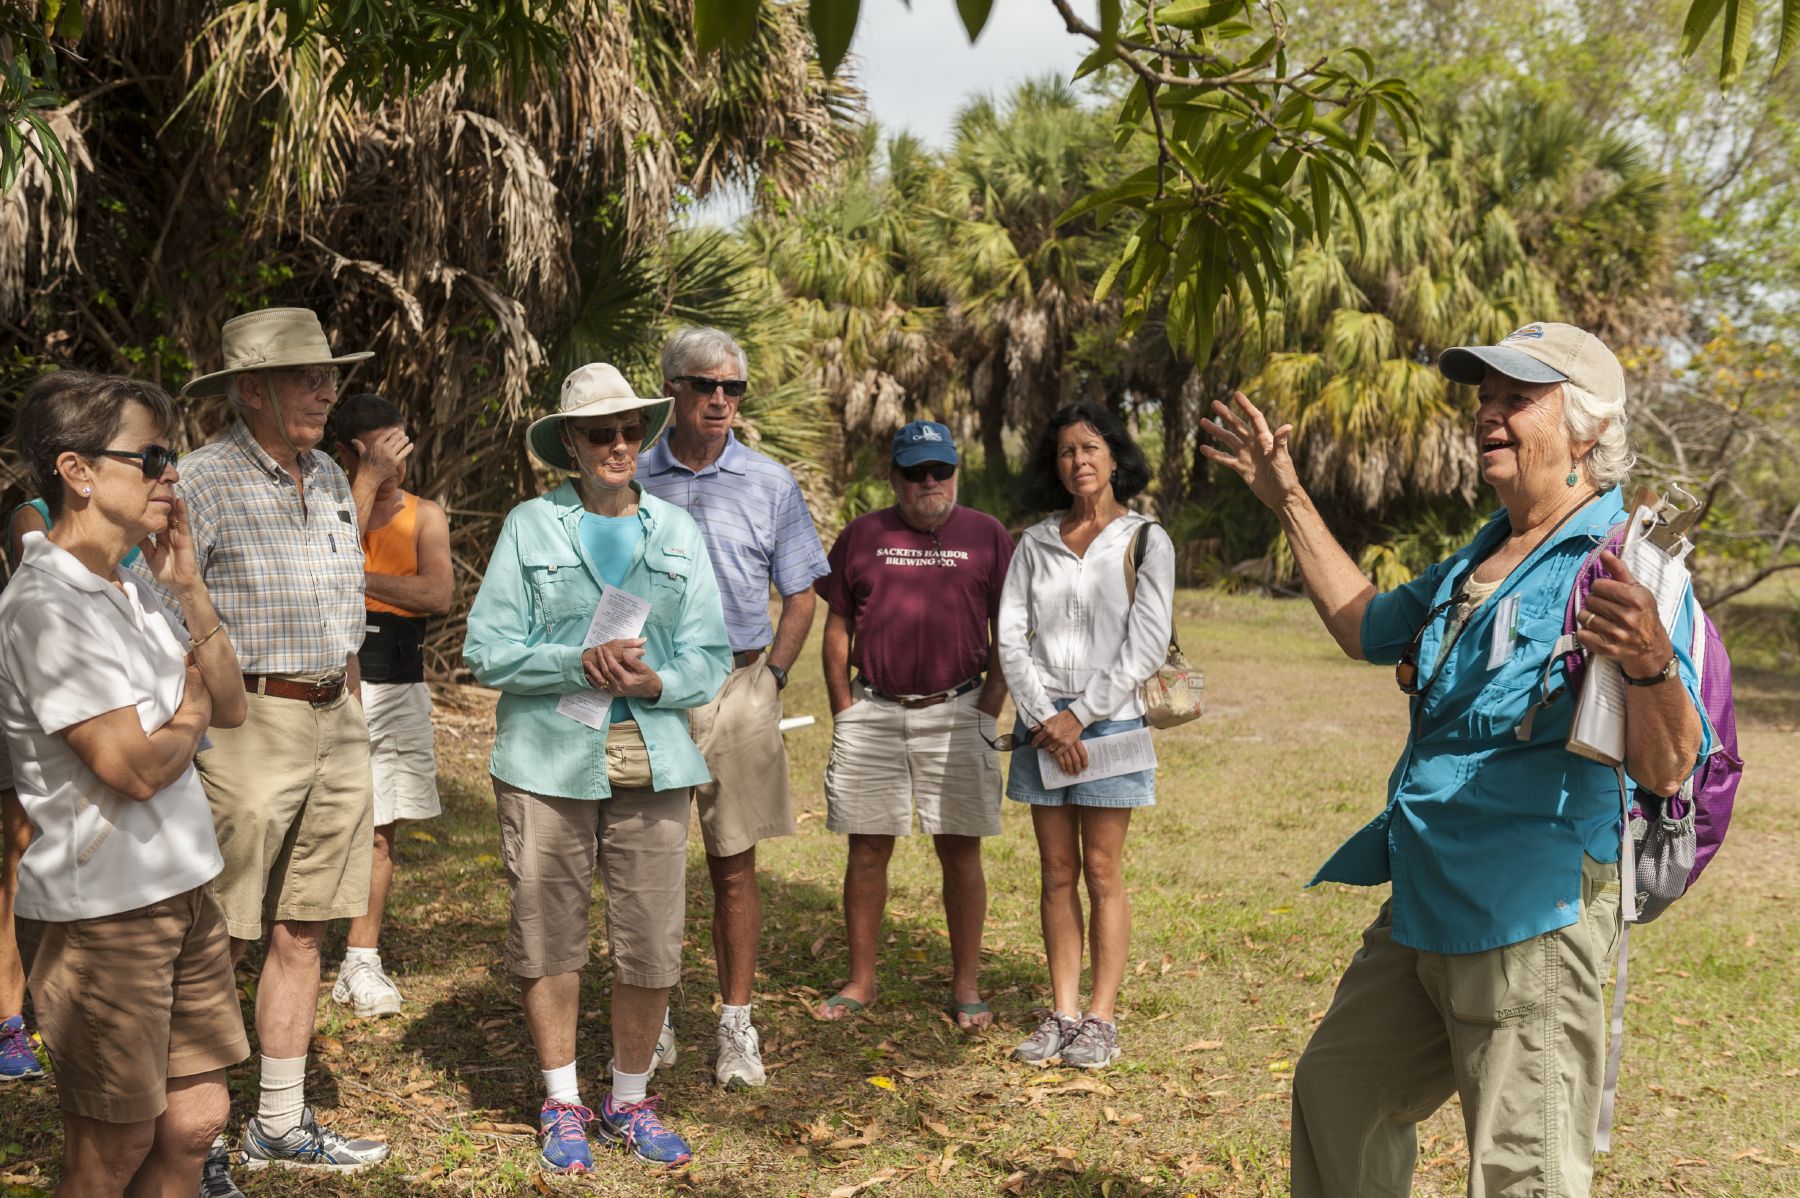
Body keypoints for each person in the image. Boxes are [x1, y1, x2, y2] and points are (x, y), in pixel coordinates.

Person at [1200, 322, 1711, 1198]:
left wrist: (1653, 662)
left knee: (1523, 1172)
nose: (1489, 415)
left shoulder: (1622, 561)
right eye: (1485, 398)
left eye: (1519, 398)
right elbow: (1363, 623)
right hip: (1425, 898)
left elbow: (1670, 771)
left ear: (1587, 431)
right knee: (1340, 1094)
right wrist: (1285, 496)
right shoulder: (1480, 556)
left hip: (1529, 918)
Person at [464, 362, 731, 1171]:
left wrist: (660, 682)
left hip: (652, 752)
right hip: (547, 757)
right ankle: (562, 1103)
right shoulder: (530, 525)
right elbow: (486, 651)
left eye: (628, 431)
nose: (617, 444)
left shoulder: (678, 533)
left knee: (652, 935)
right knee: (549, 933)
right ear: (570, 445)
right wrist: (575, 663)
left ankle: (630, 1099)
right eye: (598, 433)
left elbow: (711, 652)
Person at [155, 307, 399, 1179]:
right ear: (250, 389)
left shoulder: (331, 473)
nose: (326, 390)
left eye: (329, 375)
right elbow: (166, 610)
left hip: (336, 716)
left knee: (303, 928)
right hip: (247, 721)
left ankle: (280, 1124)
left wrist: (354, 711)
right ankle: (198, 1140)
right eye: (308, 376)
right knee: (217, 931)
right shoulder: (202, 481)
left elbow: (344, 607)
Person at [0, 370, 251, 1196]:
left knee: (194, 1122)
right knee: (110, 1150)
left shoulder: (136, 585)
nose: (169, 475)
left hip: (183, 889)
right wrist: (187, 705)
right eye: (151, 457)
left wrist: (186, 585)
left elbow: (236, 705)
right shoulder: (45, 603)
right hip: (101, 912)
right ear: (76, 471)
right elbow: (135, 768)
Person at [637, 326, 829, 1088]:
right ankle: (650, 1022)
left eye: (733, 389)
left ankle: (735, 1025)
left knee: (734, 866)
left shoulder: (770, 482)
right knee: (646, 863)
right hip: (649, 693)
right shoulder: (631, 473)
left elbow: (802, 591)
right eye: (705, 385)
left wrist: (773, 676)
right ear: (673, 391)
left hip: (738, 687)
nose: (721, 400)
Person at [811, 421, 1015, 1029]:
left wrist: (988, 708)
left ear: (956, 472)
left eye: (940, 471)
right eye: (915, 472)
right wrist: (844, 708)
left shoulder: (988, 535)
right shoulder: (862, 535)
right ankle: (862, 981)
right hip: (872, 711)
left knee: (959, 849)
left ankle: (966, 985)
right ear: (893, 477)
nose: (930, 483)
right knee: (868, 848)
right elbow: (837, 628)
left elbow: (1006, 630)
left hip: (959, 709)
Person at [996, 401, 1174, 1071]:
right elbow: (1010, 637)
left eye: (1091, 447)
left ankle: (1101, 1018)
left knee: (1101, 871)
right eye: (1068, 450)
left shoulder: (1146, 539)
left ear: (1116, 457)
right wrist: (1046, 717)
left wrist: (1082, 715)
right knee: (1055, 871)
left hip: (1111, 722)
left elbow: (1147, 642)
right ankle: (1062, 1012)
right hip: (1042, 724)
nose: (1080, 461)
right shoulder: (1033, 543)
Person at [2, 490, 147, 1083]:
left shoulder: (147, 514)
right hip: (46, 696)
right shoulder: (32, 517)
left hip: (122, 704)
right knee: (17, 854)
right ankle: (10, 1021)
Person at [325, 394, 452, 1018]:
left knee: (381, 826)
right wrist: (363, 484)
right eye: (383, 450)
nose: (397, 461)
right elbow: (318, 559)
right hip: (327, 684)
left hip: (397, 680)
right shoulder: (323, 501)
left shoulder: (425, 515)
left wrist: (356, 580)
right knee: (317, 823)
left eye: (402, 445)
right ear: (349, 451)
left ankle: (360, 959)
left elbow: (436, 592)